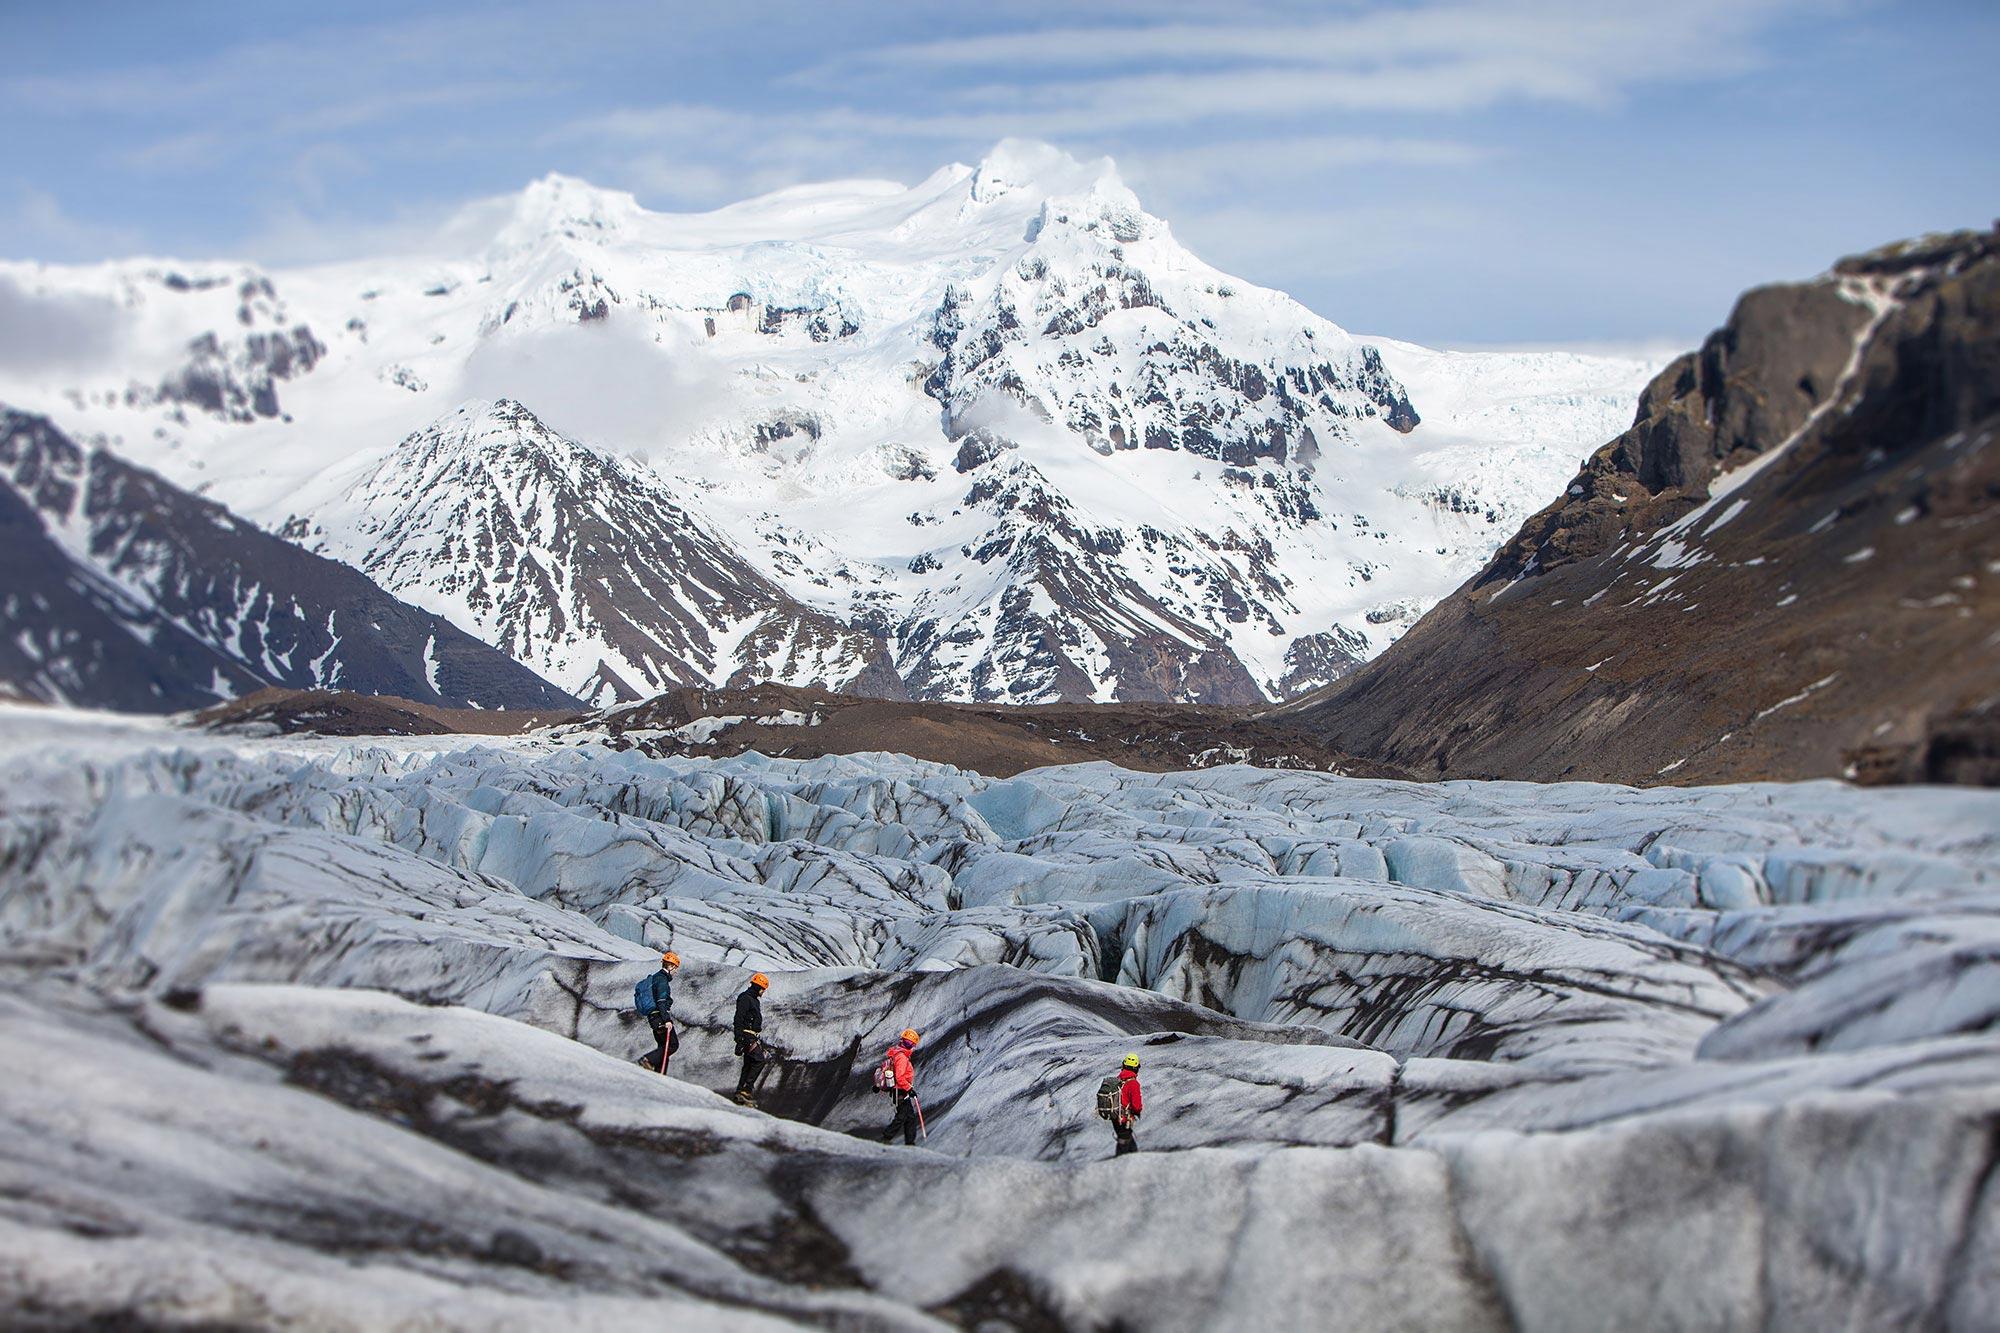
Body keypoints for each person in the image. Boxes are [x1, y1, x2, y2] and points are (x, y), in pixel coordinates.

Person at [634, 951, 679, 1073]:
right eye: (675, 968)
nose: (676, 971)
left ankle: (659, 1075)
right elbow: (661, 1001)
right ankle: (647, 1060)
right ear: (670, 966)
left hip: (653, 1018)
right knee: (672, 1045)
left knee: (663, 1047)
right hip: (659, 1017)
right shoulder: (662, 980)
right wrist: (667, 1020)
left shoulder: (655, 978)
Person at [733, 972, 771, 1106]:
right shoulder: (746, 998)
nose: (763, 992)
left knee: (748, 1064)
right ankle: (746, 1089)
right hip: (747, 1036)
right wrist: (739, 1038)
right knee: (759, 1060)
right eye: (763, 989)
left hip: (751, 1035)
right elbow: (739, 1018)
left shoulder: (753, 1000)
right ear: (758, 987)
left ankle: (740, 1093)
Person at [879, 1029, 922, 1145]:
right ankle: (886, 1137)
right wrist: (910, 1089)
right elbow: (900, 1077)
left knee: (910, 1117)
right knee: (902, 1116)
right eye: (907, 1042)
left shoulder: (897, 1053)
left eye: (910, 1043)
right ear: (902, 1041)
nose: (909, 1045)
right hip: (900, 1090)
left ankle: (910, 1142)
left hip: (899, 1090)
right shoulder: (902, 1057)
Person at [1112, 1053, 1143, 1156]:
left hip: (1115, 1117)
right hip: (1124, 1119)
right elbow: (1137, 1106)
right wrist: (1137, 1112)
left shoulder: (1118, 1079)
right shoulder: (1133, 1084)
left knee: (1126, 1141)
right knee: (1125, 1144)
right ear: (1136, 1068)